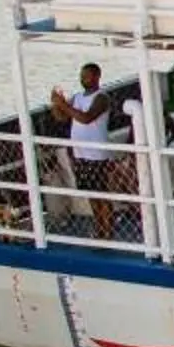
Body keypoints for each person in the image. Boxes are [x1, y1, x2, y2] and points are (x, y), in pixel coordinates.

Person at [50, 63, 126, 240]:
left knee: (102, 193)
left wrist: (64, 105)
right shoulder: (77, 97)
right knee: (91, 193)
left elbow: (86, 118)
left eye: (87, 76)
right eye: (82, 76)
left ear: (97, 76)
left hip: (97, 153)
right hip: (80, 153)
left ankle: (108, 230)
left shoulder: (102, 98)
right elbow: (62, 117)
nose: (83, 79)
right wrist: (57, 104)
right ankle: (99, 227)